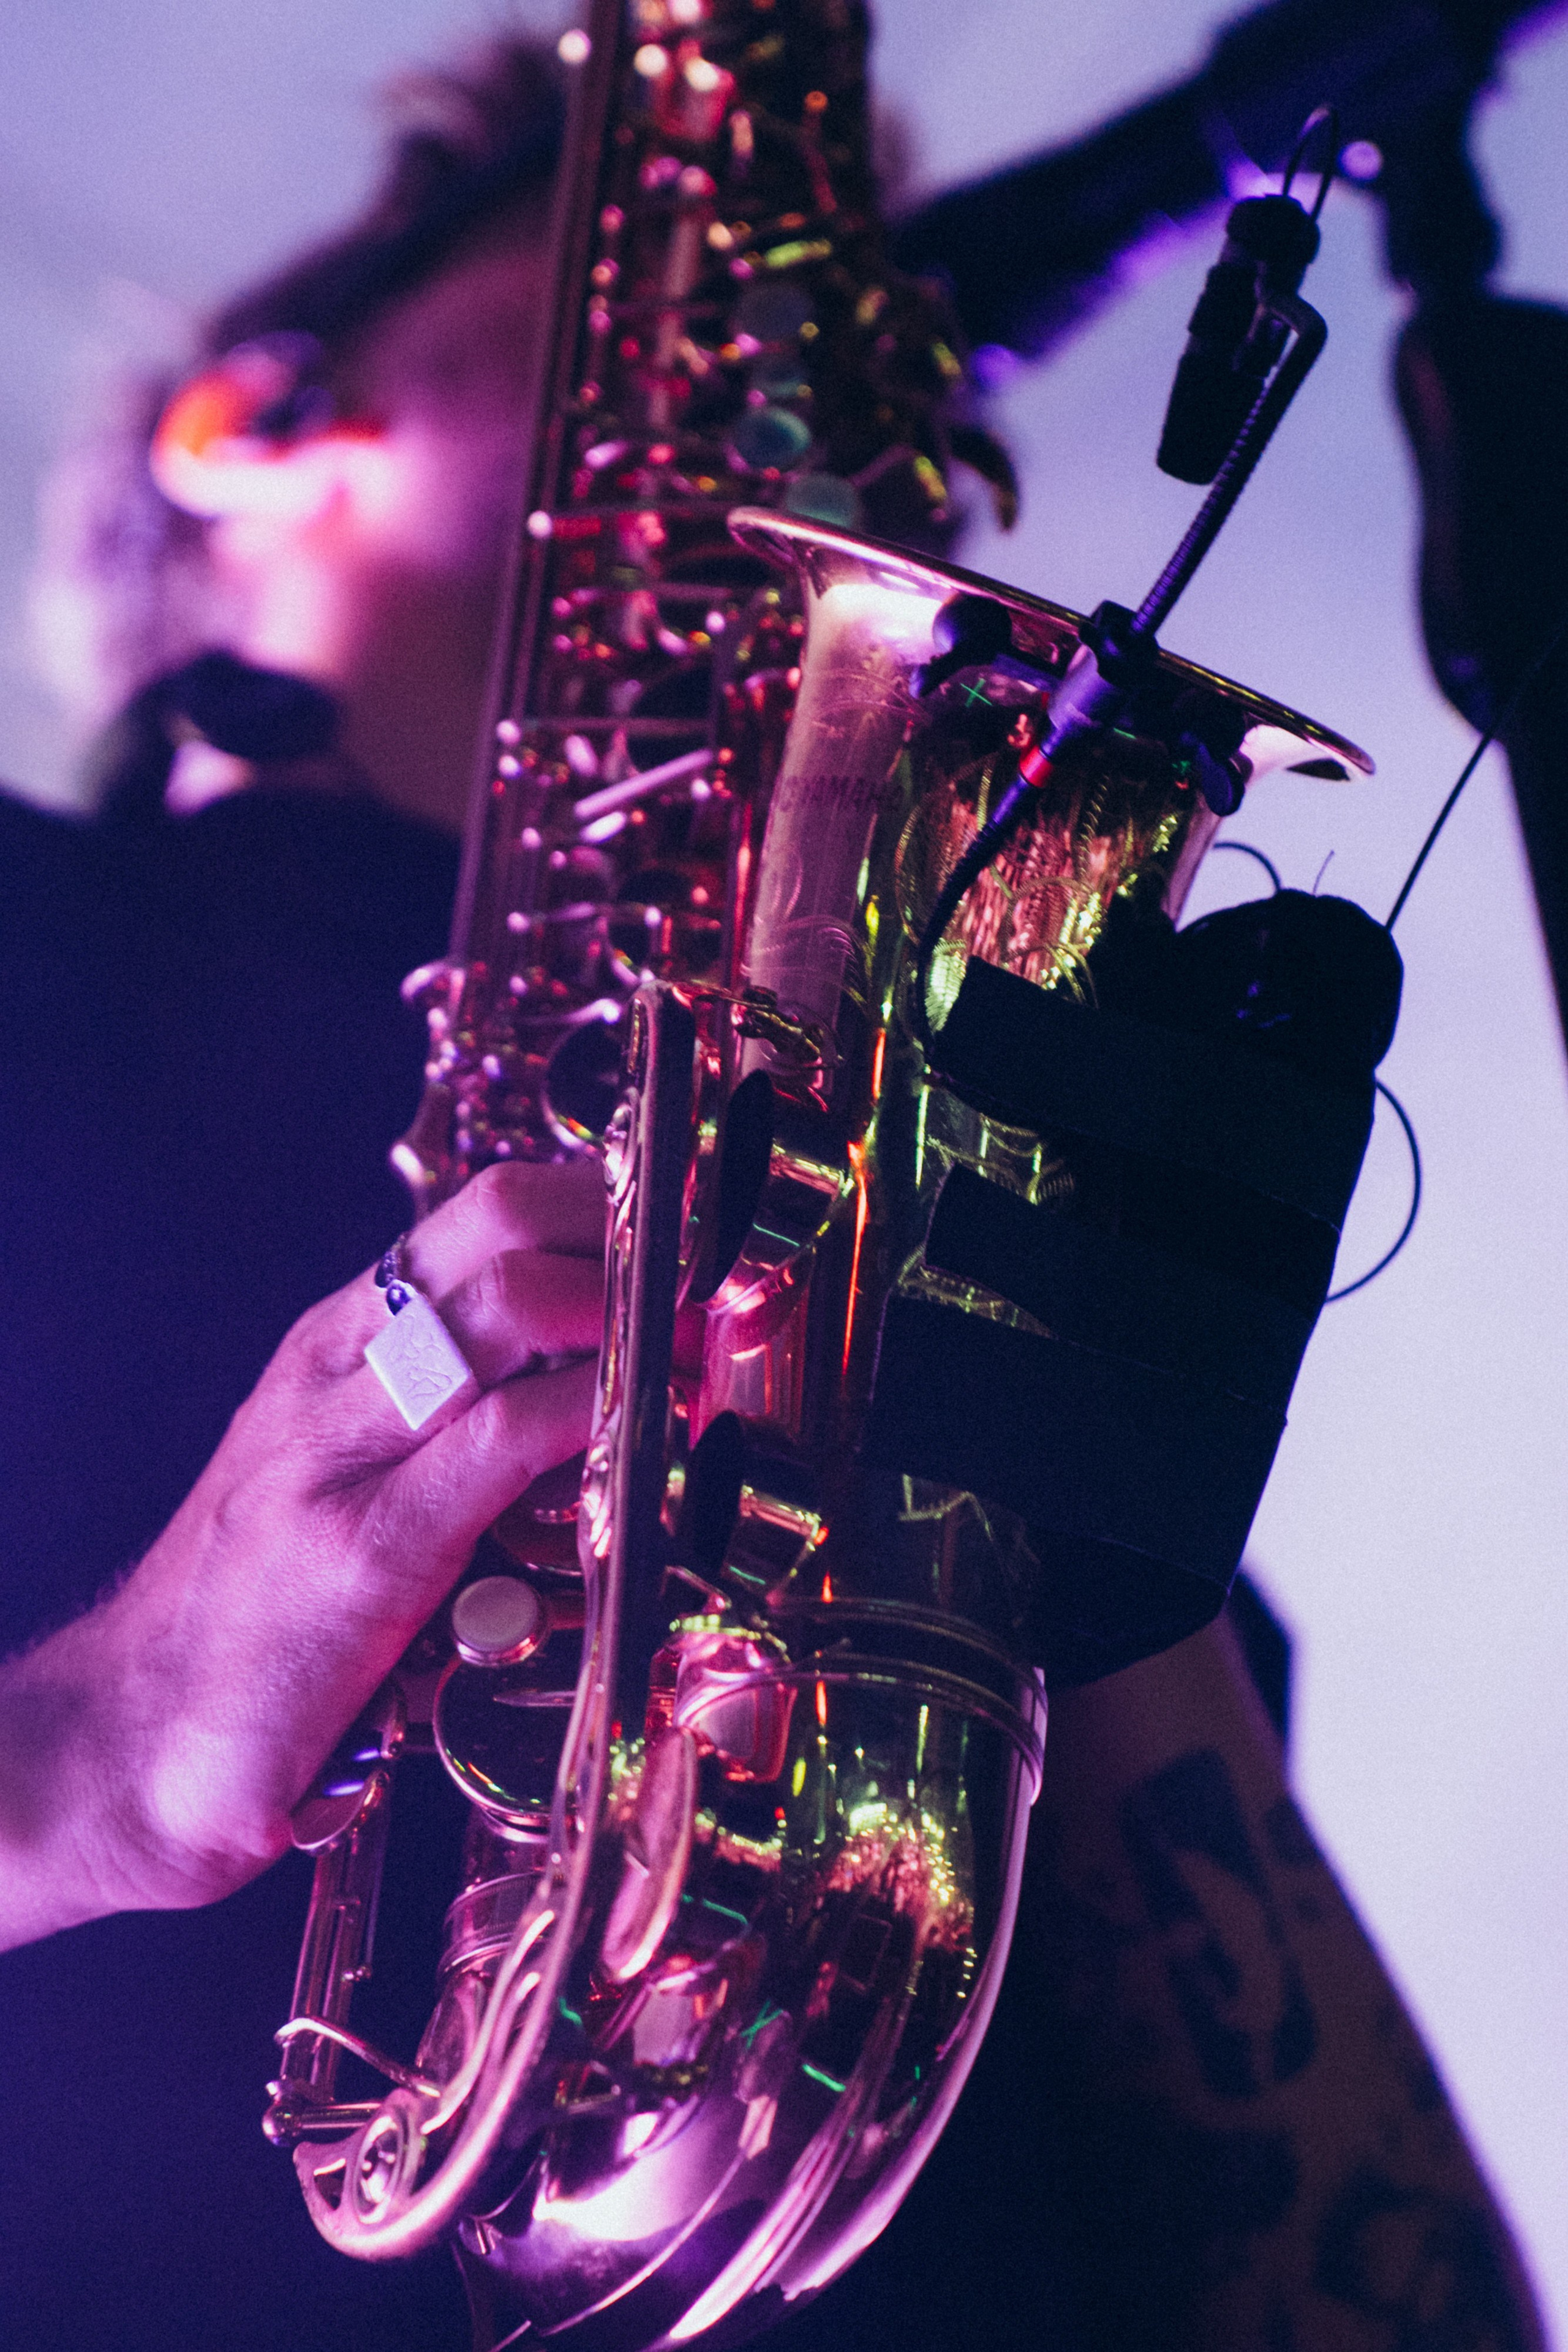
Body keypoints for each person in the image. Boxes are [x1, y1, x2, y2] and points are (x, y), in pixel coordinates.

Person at [0, 31, 1545, 2352]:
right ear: (263, 417)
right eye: (702, 316)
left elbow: (1405, 2308)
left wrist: (1084, 1530)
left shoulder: (913, 1178)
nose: (820, 400)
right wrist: (91, 1750)